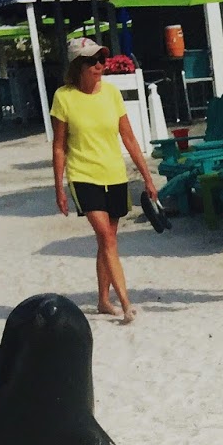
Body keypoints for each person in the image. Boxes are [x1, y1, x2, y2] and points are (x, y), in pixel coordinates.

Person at [50, 37, 157, 325]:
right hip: (83, 175)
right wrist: (59, 187)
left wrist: (147, 178)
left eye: (101, 59)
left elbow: (129, 138)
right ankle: (125, 303)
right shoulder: (63, 97)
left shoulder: (111, 93)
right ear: (78, 66)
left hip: (114, 174)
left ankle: (102, 300)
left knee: (106, 240)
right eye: (92, 61)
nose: (99, 65)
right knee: (107, 238)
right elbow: (59, 146)